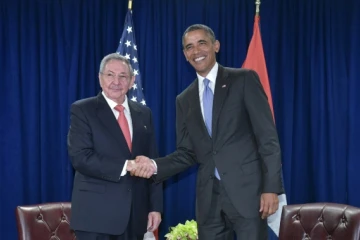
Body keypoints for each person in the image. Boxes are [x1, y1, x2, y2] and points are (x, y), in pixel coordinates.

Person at [130, 24, 284, 240]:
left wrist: (271, 188)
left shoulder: (244, 80)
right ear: (185, 54)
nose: (196, 51)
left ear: (216, 46)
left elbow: (267, 138)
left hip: (248, 195)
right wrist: (154, 165)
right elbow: (187, 152)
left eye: (202, 43)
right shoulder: (184, 100)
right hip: (208, 201)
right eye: (189, 47)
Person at [67, 53, 162, 240]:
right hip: (96, 217)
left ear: (132, 80)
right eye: (110, 75)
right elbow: (80, 157)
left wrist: (155, 207)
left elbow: (152, 161)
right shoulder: (83, 110)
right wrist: (127, 166)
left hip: (136, 215)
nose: (116, 81)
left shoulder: (144, 113)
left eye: (123, 76)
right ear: (100, 78)